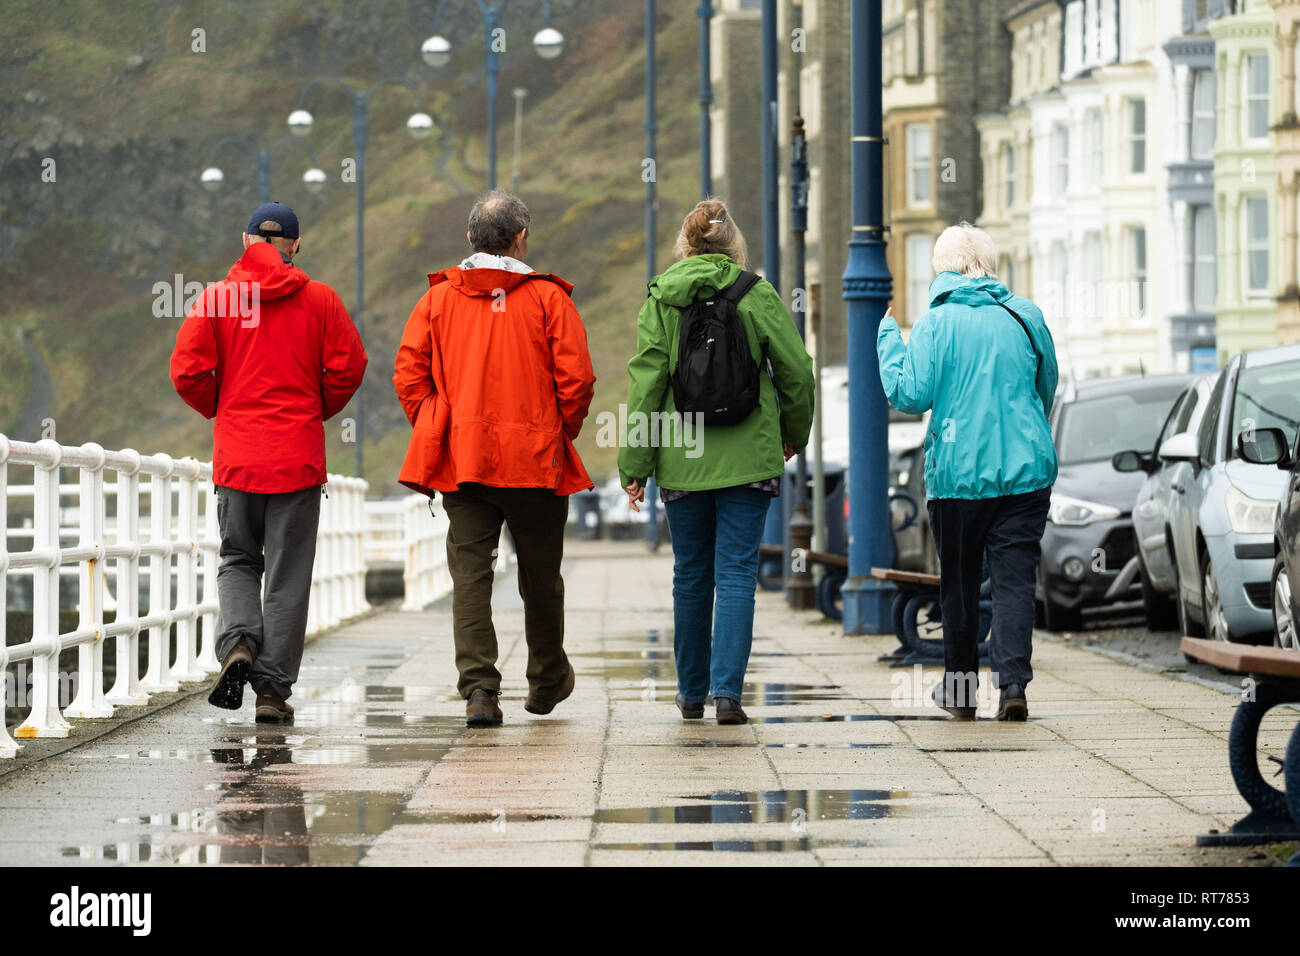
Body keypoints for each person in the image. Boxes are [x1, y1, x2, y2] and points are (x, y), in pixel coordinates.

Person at [393, 190, 596, 728]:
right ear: (521, 237)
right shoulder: (549, 299)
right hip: (535, 463)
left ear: (469, 239)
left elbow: (409, 375)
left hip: (464, 463)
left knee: (471, 579)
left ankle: (480, 691)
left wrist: (438, 425)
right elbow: (577, 381)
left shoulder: (436, 301)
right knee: (541, 578)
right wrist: (555, 431)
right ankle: (548, 678)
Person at [619, 199, 814, 725]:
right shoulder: (758, 294)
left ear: (685, 246)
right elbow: (796, 372)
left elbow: (645, 387)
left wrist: (634, 466)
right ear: (734, 247)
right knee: (735, 575)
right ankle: (728, 695)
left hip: (683, 461)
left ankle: (690, 695)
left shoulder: (662, 300)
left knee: (690, 575)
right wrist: (792, 434)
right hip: (750, 458)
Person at [171, 201, 367, 723]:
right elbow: (350, 367)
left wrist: (224, 408)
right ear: (296, 245)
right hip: (296, 460)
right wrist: (314, 410)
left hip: (238, 460)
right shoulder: (321, 300)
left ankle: (237, 645)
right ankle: (273, 692)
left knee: (238, 559)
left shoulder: (215, 300)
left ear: (245, 241)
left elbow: (187, 372)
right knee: (287, 575)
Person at [877, 222, 1058, 721]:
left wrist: (888, 337)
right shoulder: (1025, 316)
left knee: (957, 585)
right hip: (1025, 475)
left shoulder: (936, 324)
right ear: (990, 265)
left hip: (959, 479)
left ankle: (960, 694)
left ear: (942, 270)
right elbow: (1046, 389)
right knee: (1015, 582)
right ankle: (1014, 686)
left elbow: (910, 394)